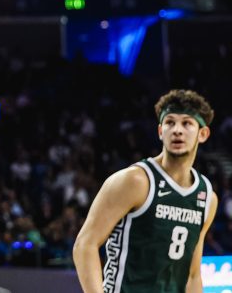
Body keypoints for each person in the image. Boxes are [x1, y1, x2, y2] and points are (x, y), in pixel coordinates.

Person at [73, 90, 219, 293]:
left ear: (202, 134)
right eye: (169, 122)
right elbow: (85, 245)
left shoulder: (207, 198)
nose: (177, 130)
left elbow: (192, 275)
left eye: (187, 123)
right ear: (160, 132)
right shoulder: (135, 181)